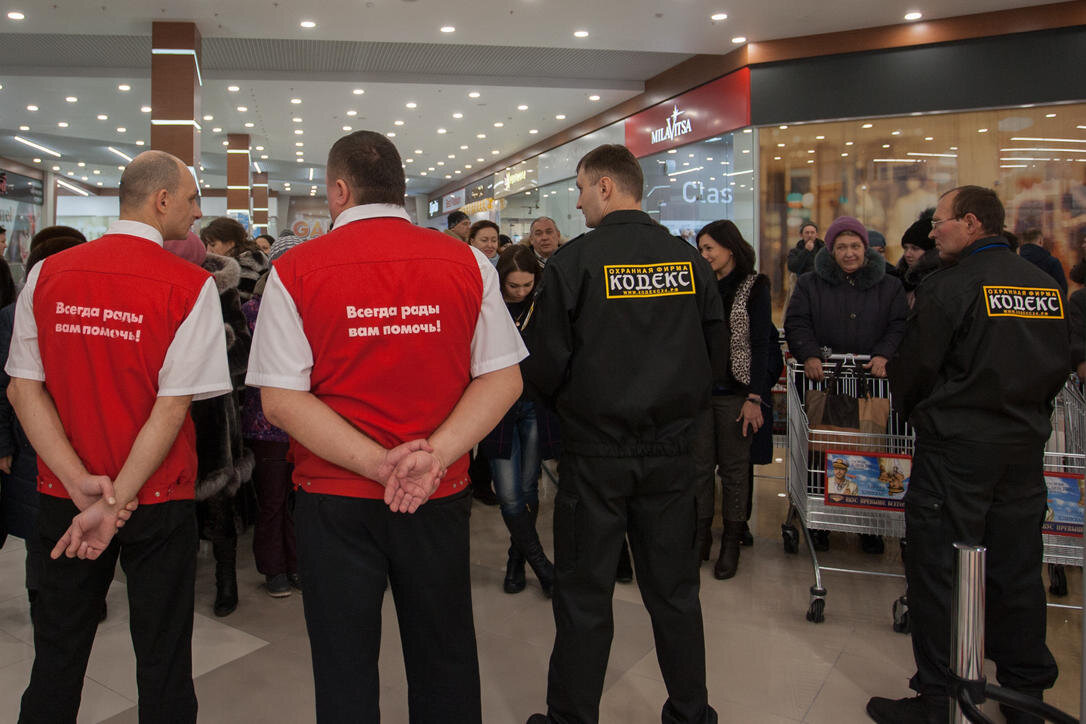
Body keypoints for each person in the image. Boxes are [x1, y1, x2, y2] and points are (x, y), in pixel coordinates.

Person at [247, 130, 526, 724]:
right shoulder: (468, 262)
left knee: (344, 667)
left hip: (334, 502)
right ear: (400, 190)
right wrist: (434, 456)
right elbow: (504, 380)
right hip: (437, 493)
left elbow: (281, 402)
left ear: (340, 190)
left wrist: (380, 466)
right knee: (446, 657)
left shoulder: (293, 271)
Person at [8, 150, 231, 723]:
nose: (197, 209)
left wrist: (83, 486)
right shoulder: (190, 286)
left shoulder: (46, 274)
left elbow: (22, 390)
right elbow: (171, 408)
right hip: (155, 501)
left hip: (68, 501)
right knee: (163, 662)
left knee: (56, 655)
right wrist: (116, 500)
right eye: (190, 198)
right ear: (162, 201)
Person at [523, 143, 721, 724]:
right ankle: (690, 713)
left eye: (582, 187)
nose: (578, 201)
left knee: (585, 597)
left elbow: (542, 364)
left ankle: (571, 718)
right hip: (674, 455)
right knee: (676, 594)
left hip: (596, 454)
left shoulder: (574, 264)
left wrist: (573, 411)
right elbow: (715, 356)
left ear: (607, 186)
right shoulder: (689, 263)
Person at [869, 185, 1069, 724]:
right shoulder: (1044, 286)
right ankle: (1026, 698)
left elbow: (912, 371)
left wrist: (926, 414)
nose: (933, 231)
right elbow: (1062, 362)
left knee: (938, 572)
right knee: (1016, 571)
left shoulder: (948, 288)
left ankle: (940, 699)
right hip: (1022, 452)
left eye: (940, 221)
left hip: (954, 454)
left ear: (973, 223)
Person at [784, 215, 907, 553]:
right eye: (842, 247)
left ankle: (870, 525)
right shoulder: (810, 284)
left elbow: (899, 325)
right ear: (831, 250)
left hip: (872, 387)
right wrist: (809, 355)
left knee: (870, 450)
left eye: (855, 246)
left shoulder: (890, 285)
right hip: (824, 384)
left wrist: (884, 354)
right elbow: (796, 322)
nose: (849, 253)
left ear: (866, 250)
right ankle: (819, 520)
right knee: (821, 450)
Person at [164, 233, 254, 617]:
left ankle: (225, 579)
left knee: (219, 498)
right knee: (170, 500)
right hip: (161, 408)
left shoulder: (220, 288)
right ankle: (172, 582)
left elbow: (242, 353)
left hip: (212, 410)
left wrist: (209, 343)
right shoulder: (153, 282)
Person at [0, 234, 85, 622]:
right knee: (41, 524)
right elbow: (5, 388)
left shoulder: (87, 308)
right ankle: (41, 594)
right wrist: (4, 444)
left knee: (80, 514)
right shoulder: (13, 315)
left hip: (81, 436)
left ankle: (84, 592)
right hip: (30, 439)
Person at [692, 219, 772, 580]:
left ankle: (731, 542)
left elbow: (761, 343)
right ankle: (701, 536)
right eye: (701, 249)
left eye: (709, 248)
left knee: (735, 471)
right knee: (699, 468)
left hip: (737, 394)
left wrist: (755, 396)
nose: (704, 254)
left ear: (729, 247)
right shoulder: (698, 284)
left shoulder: (754, 285)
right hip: (700, 393)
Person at [479, 244, 558, 595]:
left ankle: (516, 559)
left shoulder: (544, 307)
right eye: (514, 286)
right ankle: (542, 565)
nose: (521, 292)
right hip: (498, 409)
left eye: (527, 285)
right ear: (501, 282)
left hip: (535, 406)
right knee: (509, 494)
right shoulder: (488, 308)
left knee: (528, 488)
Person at [241, 239, 302, 598]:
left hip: (305, 422)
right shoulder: (252, 310)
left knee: (299, 499)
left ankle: (295, 562)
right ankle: (274, 568)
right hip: (266, 422)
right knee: (274, 499)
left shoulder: (309, 305)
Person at [200, 217, 270, 302]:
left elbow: (237, 307)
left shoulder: (243, 269)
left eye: (213, 245)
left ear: (230, 243)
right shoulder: (257, 259)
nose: (208, 250)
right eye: (207, 245)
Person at [895, 209, 941, 308]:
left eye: (915, 249)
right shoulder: (898, 281)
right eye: (905, 248)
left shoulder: (939, 282)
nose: (907, 254)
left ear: (931, 252)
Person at [1018, 228, 1068, 294]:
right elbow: (1062, 289)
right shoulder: (1052, 262)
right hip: (1046, 302)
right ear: (1040, 241)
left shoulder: (1015, 262)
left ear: (1022, 241)